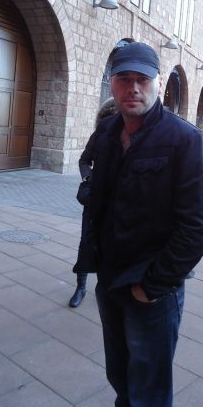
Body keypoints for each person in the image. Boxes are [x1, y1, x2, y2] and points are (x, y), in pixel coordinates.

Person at [80, 42, 203, 407]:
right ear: (113, 83)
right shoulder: (107, 133)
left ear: (158, 83)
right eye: (124, 79)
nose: (133, 88)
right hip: (110, 281)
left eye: (142, 79)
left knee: (149, 397)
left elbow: (200, 228)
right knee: (121, 382)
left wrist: (153, 285)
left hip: (151, 291)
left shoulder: (185, 141)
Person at [69, 98, 117, 308]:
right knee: (86, 242)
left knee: (112, 244)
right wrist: (89, 178)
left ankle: (109, 288)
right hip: (95, 199)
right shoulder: (99, 136)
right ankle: (80, 287)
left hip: (119, 202)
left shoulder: (134, 139)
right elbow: (84, 160)